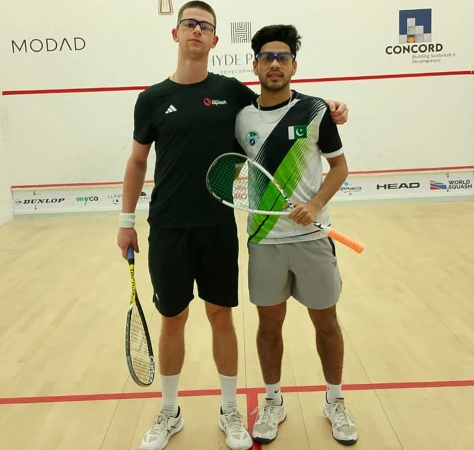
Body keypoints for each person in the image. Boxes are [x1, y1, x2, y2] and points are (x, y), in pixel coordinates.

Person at [116, 2, 349, 449]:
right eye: (189, 24)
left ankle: (230, 411)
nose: (197, 31)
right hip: (167, 228)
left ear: (215, 40)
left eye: (205, 26)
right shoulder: (151, 99)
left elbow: (279, 101)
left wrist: (332, 106)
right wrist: (127, 221)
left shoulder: (232, 94)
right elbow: (137, 161)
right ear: (176, 34)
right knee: (172, 320)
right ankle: (170, 412)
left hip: (218, 228)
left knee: (221, 317)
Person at [233, 24, 359, 446]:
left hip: (311, 240)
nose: (275, 63)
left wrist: (317, 203)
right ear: (255, 65)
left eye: (282, 57)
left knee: (326, 322)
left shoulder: (315, 111)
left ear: (293, 66)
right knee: (269, 325)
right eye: (267, 57)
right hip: (264, 240)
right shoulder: (241, 117)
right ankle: (273, 401)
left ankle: (335, 401)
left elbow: (339, 167)